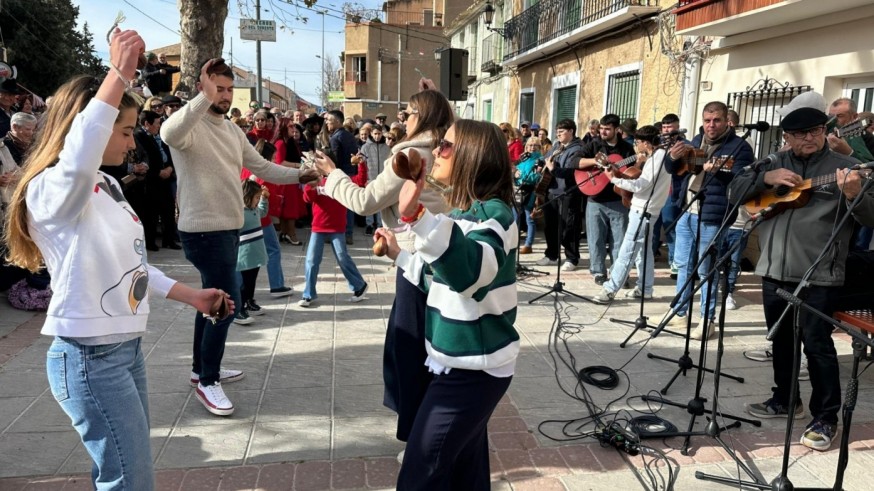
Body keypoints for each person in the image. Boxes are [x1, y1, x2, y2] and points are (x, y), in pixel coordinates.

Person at [2, 30, 231, 489]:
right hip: (89, 357)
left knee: (128, 475)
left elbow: (132, 264)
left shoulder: (107, 186)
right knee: (130, 480)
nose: (131, 144)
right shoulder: (53, 190)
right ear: (92, 126)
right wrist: (119, 74)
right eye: (125, 131)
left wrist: (192, 296)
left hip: (124, 351)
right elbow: (81, 150)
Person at [161, 57, 318, 416]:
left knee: (211, 300)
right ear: (204, 87)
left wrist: (302, 175)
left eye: (230, 89)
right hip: (202, 231)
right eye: (219, 87)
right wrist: (202, 95)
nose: (225, 94)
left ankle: (201, 370)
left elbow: (262, 167)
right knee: (226, 304)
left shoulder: (232, 131)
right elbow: (168, 133)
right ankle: (208, 381)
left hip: (229, 228)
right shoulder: (189, 125)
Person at [374, 119, 519, 489]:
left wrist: (417, 216)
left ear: (473, 155)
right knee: (464, 473)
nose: (437, 151)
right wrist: (398, 254)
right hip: (457, 365)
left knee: (419, 476)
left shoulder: (496, 216)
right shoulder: (464, 215)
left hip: (474, 370)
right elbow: (437, 279)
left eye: (447, 146)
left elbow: (469, 272)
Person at [729, 100, 874, 451]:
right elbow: (735, 193)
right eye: (798, 134)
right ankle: (785, 398)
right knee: (780, 342)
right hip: (773, 269)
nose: (807, 138)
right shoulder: (774, 162)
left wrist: (854, 194)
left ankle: (826, 417)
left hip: (819, 273)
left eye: (814, 131)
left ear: (824, 132)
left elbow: (871, 218)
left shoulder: (849, 167)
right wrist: (765, 178)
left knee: (818, 347)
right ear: (787, 137)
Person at [313, 87, 453, 446]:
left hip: (417, 262)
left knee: (410, 355)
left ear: (422, 117)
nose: (402, 118)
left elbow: (364, 201)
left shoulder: (410, 154)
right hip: (444, 258)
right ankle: (433, 432)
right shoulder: (449, 149)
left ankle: (418, 440)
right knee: (435, 354)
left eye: (408, 112)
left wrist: (332, 176)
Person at [664, 101, 753, 340]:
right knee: (682, 266)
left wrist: (719, 170)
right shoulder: (695, 141)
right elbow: (675, 170)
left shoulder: (739, 147)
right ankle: (680, 313)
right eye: (707, 120)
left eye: (716, 120)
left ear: (727, 121)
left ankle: (707, 319)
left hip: (713, 215)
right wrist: (672, 158)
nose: (710, 125)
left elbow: (742, 179)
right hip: (688, 210)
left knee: (707, 271)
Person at [592, 125, 670, 303]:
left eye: (638, 142)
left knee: (628, 251)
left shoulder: (657, 158)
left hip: (643, 211)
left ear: (646, 143)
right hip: (648, 211)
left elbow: (641, 185)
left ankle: (610, 289)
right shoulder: (657, 157)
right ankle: (645, 289)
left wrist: (613, 179)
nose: (636, 146)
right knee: (644, 252)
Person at [576, 114, 634, 281]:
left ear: (617, 130)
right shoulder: (593, 145)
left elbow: (632, 172)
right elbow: (576, 161)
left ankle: (618, 274)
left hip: (618, 199)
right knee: (595, 239)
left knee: (619, 240)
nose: (603, 131)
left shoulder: (626, 149)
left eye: (607, 129)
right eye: (601, 128)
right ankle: (598, 272)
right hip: (595, 199)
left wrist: (635, 165)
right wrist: (594, 161)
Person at [299, 175, 368, 307]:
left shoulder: (341, 178)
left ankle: (360, 286)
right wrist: (310, 184)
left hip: (337, 227)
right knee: (311, 260)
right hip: (318, 227)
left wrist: (361, 164)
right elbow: (307, 198)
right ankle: (308, 294)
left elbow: (360, 180)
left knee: (342, 257)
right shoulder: (316, 181)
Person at [536, 119, 586, 270]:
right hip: (551, 191)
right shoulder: (557, 146)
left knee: (569, 227)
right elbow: (546, 158)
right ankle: (552, 255)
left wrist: (552, 169)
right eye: (557, 131)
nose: (558, 134)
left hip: (568, 192)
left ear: (571, 131)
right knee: (550, 226)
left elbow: (571, 171)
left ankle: (572, 258)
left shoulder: (579, 149)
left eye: (562, 131)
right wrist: (540, 164)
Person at [234, 178, 270, 325]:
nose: (257, 200)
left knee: (251, 281)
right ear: (247, 196)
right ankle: (238, 308)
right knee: (243, 283)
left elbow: (263, 212)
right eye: (256, 197)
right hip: (244, 255)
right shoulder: (239, 212)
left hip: (256, 253)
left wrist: (264, 199)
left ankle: (249, 301)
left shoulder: (254, 209)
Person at [514, 136, 543, 254]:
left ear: (539, 147)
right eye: (530, 145)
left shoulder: (540, 160)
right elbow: (515, 171)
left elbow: (536, 177)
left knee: (529, 218)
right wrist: (514, 174)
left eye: (534, 145)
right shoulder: (523, 158)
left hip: (530, 192)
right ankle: (513, 242)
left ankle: (528, 244)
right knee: (514, 219)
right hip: (517, 190)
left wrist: (519, 176)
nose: (532, 147)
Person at [360, 124, 390, 235]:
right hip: (370, 177)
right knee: (370, 200)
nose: (377, 136)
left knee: (381, 201)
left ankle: (380, 223)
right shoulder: (365, 147)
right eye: (375, 134)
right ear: (371, 134)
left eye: (379, 134)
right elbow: (362, 162)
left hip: (383, 178)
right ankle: (369, 223)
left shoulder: (387, 146)